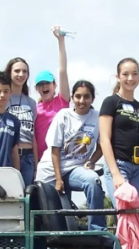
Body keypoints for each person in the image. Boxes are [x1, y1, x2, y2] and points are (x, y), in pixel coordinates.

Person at [35, 80, 105, 229]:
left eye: (86, 97)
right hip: (51, 171)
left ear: (92, 98)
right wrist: (58, 179)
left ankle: (97, 231)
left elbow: (102, 146)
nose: (82, 101)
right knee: (52, 220)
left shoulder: (98, 117)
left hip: (75, 169)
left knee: (93, 181)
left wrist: (92, 161)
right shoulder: (63, 115)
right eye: (78, 96)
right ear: (72, 98)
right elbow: (55, 149)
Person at [98, 57, 139, 213]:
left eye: (134, 74)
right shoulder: (111, 102)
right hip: (119, 164)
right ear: (118, 77)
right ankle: (121, 239)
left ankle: (138, 239)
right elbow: (104, 139)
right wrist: (116, 174)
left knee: (137, 213)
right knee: (124, 212)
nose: (130, 78)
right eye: (125, 74)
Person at [33, 26, 72, 160]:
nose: (44, 87)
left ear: (54, 85)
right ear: (36, 89)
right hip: (41, 161)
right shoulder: (34, 109)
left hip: (62, 158)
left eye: (47, 83)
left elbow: (62, 70)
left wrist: (60, 41)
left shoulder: (62, 101)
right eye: (40, 85)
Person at [3, 55, 38, 186]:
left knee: (25, 198)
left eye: (24, 71)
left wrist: (36, 165)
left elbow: (32, 135)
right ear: (9, 73)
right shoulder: (2, 98)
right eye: (17, 71)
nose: (21, 74)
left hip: (28, 156)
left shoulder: (31, 102)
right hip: (8, 155)